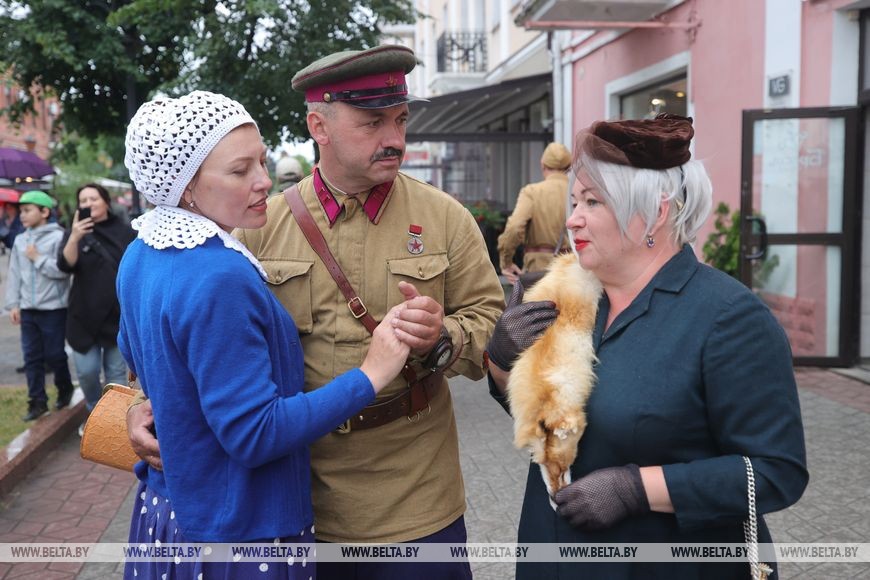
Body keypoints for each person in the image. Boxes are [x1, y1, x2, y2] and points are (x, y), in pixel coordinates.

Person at [127, 45, 505, 579]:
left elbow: (492, 322)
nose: (394, 139)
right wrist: (138, 405)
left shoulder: (445, 218)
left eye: (400, 120)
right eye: (373, 122)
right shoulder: (254, 225)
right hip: (296, 497)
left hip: (414, 493)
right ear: (318, 127)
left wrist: (443, 336)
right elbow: (174, 337)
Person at [486, 114, 808, 579]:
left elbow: (777, 471)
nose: (572, 219)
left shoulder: (728, 318)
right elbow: (538, 416)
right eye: (575, 201)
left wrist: (639, 488)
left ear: (654, 213)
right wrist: (502, 359)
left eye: (592, 202)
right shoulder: (568, 296)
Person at [119, 90, 411, 579]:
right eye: (239, 171)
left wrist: (144, 407)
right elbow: (255, 434)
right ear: (185, 185)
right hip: (241, 531)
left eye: (262, 160)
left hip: (170, 513)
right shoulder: (218, 275)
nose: (264, 181)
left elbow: (137, 359)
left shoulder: (142, 252)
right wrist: (371, 373)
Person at [57, 183, 136, 425]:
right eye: (83, 201)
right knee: (87, 372)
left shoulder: (125, 231)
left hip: (115, 315)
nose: (89, 204)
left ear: (106, 202)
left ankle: (115, 424)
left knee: (115, 375)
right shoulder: (74, 233)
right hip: (83, 315)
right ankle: (94, 415)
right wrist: (75, 236)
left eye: (94, 198)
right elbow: (65, 265)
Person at [3, 190, 73, 421]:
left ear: (44, 212)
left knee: (54, 355)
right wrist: (13, 304)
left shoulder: (58, 237)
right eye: (20, 211)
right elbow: (14, 273)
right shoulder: (20, 240)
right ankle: (37, 402)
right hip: (28, 309)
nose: (22, 215)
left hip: (54, 308)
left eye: (27, 210)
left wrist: (38, 258)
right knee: (31, 357)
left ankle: (65, 388)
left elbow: (63, 272)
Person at [497, 142, 573, 284]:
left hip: (538, 270)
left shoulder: (532, 192)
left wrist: (506, 261)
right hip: (574, 268)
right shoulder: (578, 192)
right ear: (569, 166)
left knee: (538, 306)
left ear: (542, 165)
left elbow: (514, 228)